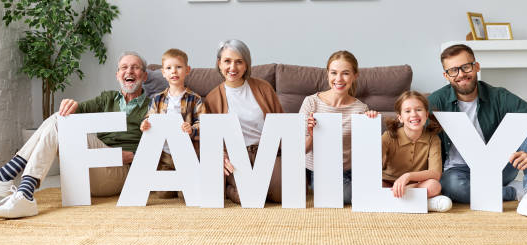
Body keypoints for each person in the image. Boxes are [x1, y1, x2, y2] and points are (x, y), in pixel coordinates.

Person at [0, 51, 151, 219]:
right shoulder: (107, 98)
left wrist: (134, 157)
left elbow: (161, 146)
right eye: (124, 67)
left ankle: (7, 175)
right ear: (117, 74)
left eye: (135, 67)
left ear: (144, 75)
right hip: (89, 166)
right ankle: (23, 194)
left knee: (59, 121)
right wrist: (70, 104)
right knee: (61, 118)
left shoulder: (154, 105)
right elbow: (74, 111)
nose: (130, 71)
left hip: (119, 173)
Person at [428, 44, 527, 221]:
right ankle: (516, 191)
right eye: (453, 70)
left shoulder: (499, 96)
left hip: (499, 168)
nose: (461, 74)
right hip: (458, 173)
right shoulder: (436, 100)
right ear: (446, 75)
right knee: (450, 186)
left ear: (476, 66)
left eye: (466, 67)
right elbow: (410, 127)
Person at [203, 39, 283, 204]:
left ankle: (261, 186)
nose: (233, 68)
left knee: (284, 194)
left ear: (246, 65)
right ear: (219, 63)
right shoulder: (212, 98)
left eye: (239, 62)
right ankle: (229, 190)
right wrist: (222, 155)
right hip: (237, 156)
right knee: (249, 198)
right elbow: (210, 137)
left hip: (266, 152)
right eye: (227, 61)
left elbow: (280, 121)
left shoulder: (263, 88)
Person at [301, 50, 378, 205]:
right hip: (322, 172)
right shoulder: (311, 103)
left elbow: (367, 152)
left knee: (365, 192)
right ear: (328, 74)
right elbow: (301, 150)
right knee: (343, 196)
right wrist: (312, 134)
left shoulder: (360, 108)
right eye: (334, 73)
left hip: (350, 170)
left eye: (345, 73)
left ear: (355, 75)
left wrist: (371, 121)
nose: (339, 79)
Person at [140, 48, 205, 199]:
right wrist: (145, 124)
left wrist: (192, 129)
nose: (174, 71)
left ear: (187, 70)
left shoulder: (195, 99)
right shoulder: (157, 99)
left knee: (185, 195)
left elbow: (203, 123)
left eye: (179, 67)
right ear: (163, 73)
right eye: (169, 68)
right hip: (165, 156)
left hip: (187, 154)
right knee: (163, 194)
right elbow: (149, 118)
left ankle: (184, 184)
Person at [382, 91, 451, 212]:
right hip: (388, 184)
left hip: (416, 184)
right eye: (407, 111)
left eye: (418, 109)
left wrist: (407, 177)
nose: (414, 114)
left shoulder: (433, 139)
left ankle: (395, 201)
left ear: (426, 114)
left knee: (434, 186)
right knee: (374, 186)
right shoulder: (388, 137)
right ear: (400, 117)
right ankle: (424, 203)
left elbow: (435, 173)